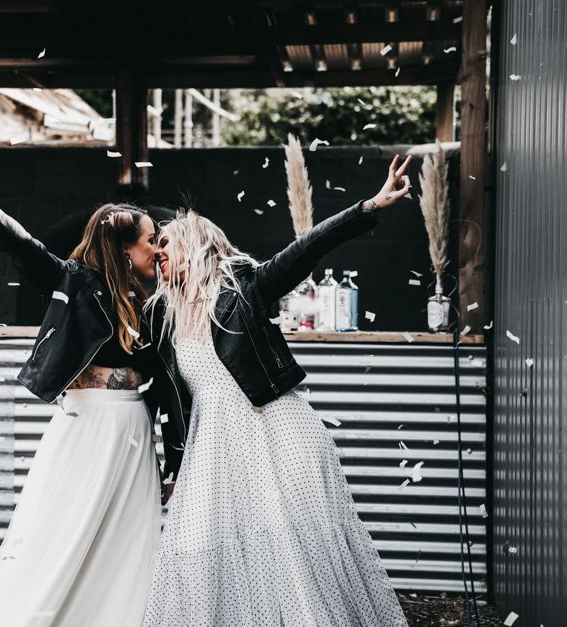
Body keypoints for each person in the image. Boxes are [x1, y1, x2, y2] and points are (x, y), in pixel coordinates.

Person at [142, 155, 414, 626]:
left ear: (196, 243)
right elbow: (174, 403)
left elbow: (307, 248)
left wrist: (370, 206)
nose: (159, 251)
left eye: (167, 242)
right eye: (155, 246)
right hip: (213, 447)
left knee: (289, 547)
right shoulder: (162, 318)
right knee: (200, 544)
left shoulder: (245, 288)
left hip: (272, 431)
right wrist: (172, 466)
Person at [0, 140, 178, 627]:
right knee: (66, 526)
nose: (158, 249)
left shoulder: (156, 303)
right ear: (123, 247)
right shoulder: (75, 280)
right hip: (86, 424)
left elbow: (172, 387)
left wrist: (173, 458)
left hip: (133, 428)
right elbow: (22, 247)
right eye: (151, 240)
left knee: (129, 533)